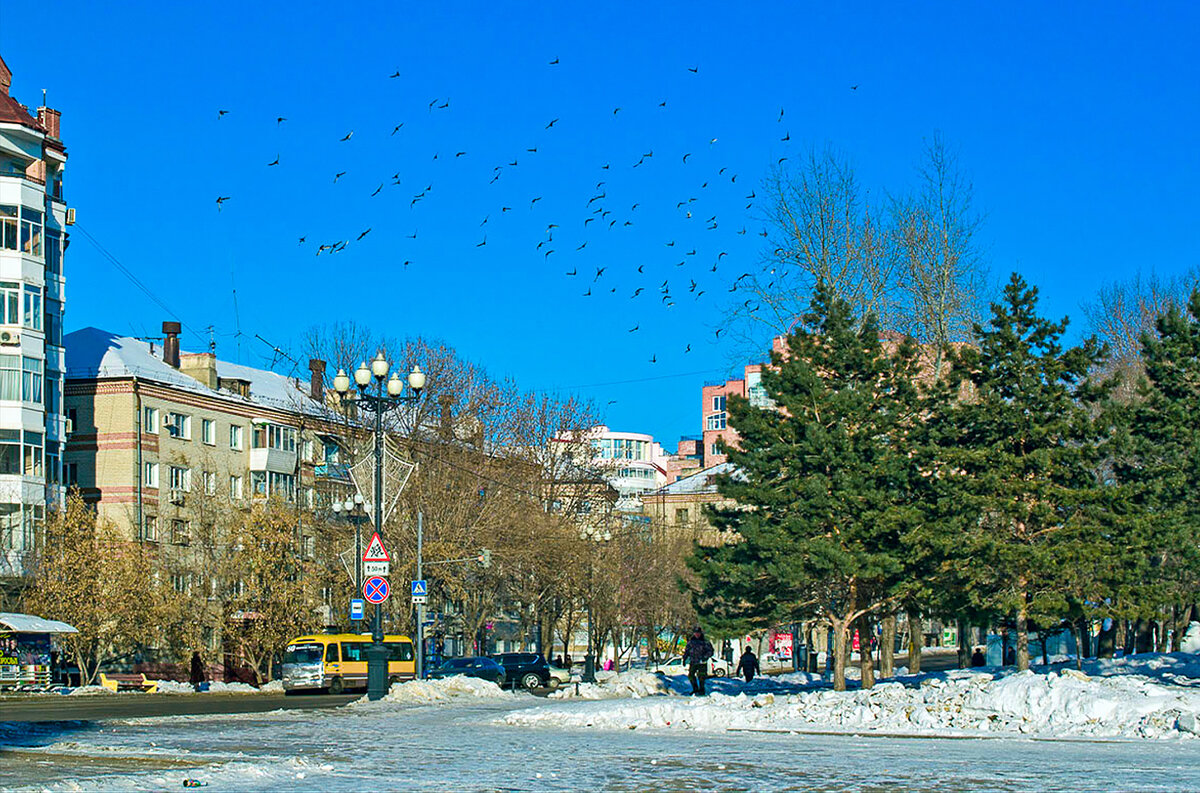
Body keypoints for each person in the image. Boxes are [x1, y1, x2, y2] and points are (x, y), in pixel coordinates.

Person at [682, 627, 714, 695]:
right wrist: (684, 659)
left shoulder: (705, 642)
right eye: (695, 633)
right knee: (691, 675)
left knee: (701, 676)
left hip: (702, 662)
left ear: (700, 633)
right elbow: (687, 651)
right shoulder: (691, 642)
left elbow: (710, 651)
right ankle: (695, 689)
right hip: (693, 661)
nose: (697, 634)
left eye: (698, 633)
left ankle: (702, 690)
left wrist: (705, 657)